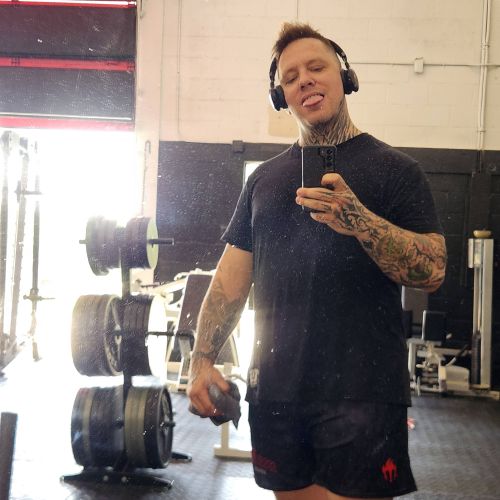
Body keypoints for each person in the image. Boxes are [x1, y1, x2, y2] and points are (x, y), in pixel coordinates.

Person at [187, 21, 446, 500]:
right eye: (290, 77)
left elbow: (432, 271)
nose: (304, 79)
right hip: (277, 390)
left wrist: (360, 221)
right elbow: (229, 282)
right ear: (281, 97)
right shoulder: (262, 181)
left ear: (344, 78)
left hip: (363, 391)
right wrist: (201, 360)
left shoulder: (397, 171)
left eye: (316, 67)